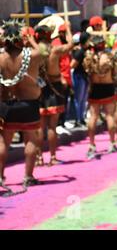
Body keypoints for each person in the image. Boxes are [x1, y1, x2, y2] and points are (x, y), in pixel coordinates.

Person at [0, 21, 44, 191]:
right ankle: (28, 176)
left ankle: (1, 176)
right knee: (30, 138)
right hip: (28, 104)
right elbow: (42, 51)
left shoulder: (1, 58)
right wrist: (31, 39)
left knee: (4, 140)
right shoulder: (31, 56)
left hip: (7, 104)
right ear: (20, 39)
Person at [35, 24, 75, 166]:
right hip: (54, 88)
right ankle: (52, 157)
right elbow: (71, 44)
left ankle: (39, 158)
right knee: (52, 126)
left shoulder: (33, 51)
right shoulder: (54, 50)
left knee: (40, 126)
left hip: (38, 89)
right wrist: (68, 29)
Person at [83, 36, 117, 159]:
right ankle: (112, 142)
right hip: (108, 87)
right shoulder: (109, 57)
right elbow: (115, 72)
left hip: (95, 88)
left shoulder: (89, 58)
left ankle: (92, 144)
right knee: (110, 115)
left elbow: (86, 71)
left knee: (93, 116)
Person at [71, 32, 90, 128]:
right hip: (79, 76)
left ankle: (81, 118)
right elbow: (72, 64)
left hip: (84, 77)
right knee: (78, 99)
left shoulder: (85, 51)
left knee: (83, 99)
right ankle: (77, 119)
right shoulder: (80, 52)